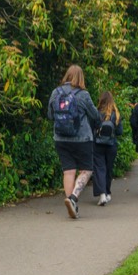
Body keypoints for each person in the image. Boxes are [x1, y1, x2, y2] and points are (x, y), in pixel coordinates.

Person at [47, 65, 101, 219]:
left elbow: (50, 115)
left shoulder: (55, 93)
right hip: (82, 138)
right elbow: (95, 115)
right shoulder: (83, 95)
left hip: (60, 138)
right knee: (86, 170)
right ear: (81, 78)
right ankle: (73, 199)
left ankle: (71, 203)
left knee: (68, 171)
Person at [92, 91, 123, 206]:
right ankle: (108, 192)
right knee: (108, 169)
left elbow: (92, 128)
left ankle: (102, 194)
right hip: (111, 145)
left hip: (98, 144)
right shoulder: (116, 114)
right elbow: (120, 132)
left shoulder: (96, 113)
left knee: (99, 168)